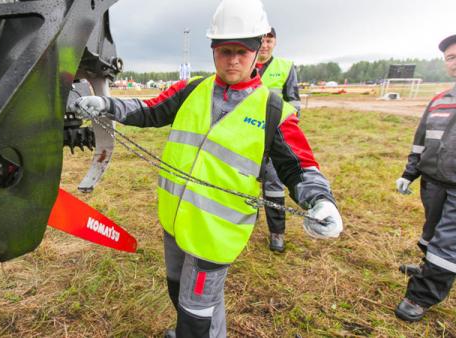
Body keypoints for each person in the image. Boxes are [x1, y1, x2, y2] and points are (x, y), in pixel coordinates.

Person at [71, 0, 343, 336]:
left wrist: (320, 200)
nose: (233, 60)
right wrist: (107, 104)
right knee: (179, 293)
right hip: (175, 221)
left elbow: (300, 167)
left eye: (242, 51)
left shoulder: (274, 109)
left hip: (216, 234)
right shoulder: (193, 90)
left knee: (194, 314)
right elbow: (149, 110)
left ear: (258, 50)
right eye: (225, 50)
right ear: (213, 49)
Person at [395, 33, 456, 322]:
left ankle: (421, 296)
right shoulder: (438, 101)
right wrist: (410, 173)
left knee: (448, 243)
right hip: (433, 184)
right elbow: (420, 141)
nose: (455, 62)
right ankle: (428, 267)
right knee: (431, 235)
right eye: (450, 57)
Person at [255, 27, 302, 252]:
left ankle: (277, 233)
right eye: (261, 40)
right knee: (243, 182)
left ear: (275, 41)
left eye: (269, 40)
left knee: (273, 186)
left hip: (273, 139)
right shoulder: (244, 63)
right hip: (247, 138)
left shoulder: (285, 67)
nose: (264, 44)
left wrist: (285, 129)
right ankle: (244, 223)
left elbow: (294, 102)